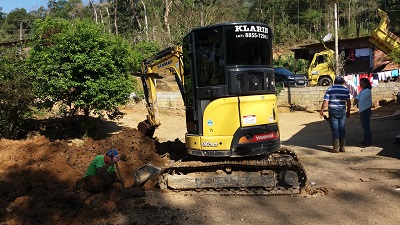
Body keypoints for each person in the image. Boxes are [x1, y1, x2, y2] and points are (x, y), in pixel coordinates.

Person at [319, 76, 351, 153]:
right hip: (342, 110)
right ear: (342, 82)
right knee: (342, 128)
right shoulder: (346, 90)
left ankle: (336, 148)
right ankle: (342, 147)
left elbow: (326, 101)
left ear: (334, 81)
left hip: (333, 110)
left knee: (335, 129)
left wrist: (322, 111)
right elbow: (348, 102)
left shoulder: (330, 89)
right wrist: (349, 110)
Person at [353, 78, 372, 147]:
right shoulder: (363, 91)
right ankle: (366, 140)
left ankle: (368, 141)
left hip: (365, 110)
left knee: (366, 126)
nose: (360, 84)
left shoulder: (367, 91)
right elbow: (357, 98)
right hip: (363, 110)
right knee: (364, 126)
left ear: (365, 83)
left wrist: (356, 101)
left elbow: (359, 99)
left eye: (361, 82)